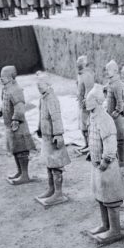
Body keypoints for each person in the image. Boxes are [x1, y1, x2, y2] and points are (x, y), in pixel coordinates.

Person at [86, 84, 124, 244]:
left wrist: (105, 160)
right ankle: (105, 225)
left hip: (107, 166)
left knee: (111, 198)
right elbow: (93, 138)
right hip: (97, 165)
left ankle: (115, 229)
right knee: (100, 196)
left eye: (89, 99)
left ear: (97, 101)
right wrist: (92, 152)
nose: (86, 101)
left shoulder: (105, 119)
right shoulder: (93, 116)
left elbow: (110, 145)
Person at [35, 71, 71, 206]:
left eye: (41, 84)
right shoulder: (43, 98)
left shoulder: (52, 99)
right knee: (48, 164)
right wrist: (39, 128)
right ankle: (51, 189)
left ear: (48, 84)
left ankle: (58, 193)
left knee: (56, 166)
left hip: (53, 138)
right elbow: (41, 116)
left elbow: (56, 118)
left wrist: (58, 134)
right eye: (37, 84)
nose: (38, 87)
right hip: (46, 137)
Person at [0, 66, 36, 185]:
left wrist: (16, 119)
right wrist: (1, 110)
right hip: (10, 125)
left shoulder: (16, 89)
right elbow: (5, 103)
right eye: (1, 76)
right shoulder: (5, 89)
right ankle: (19, 172)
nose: (1, 79)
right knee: (15, 149)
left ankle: (25, 174)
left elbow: (19, 107)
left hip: (18, 125)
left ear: (10, 77)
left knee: (22, 150)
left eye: (3, 77)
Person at [104, 60, 124, 167]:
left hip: (116, 117)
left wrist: (117, 111)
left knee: (120, 139)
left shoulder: (117, 84)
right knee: (113, 139)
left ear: (115, 70)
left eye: (109, 70)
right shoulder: (111, 82)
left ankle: (122, 161)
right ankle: (117, 158)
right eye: (106, 69)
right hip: (110, 116)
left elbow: (120, 101)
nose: (107, 72)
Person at [76, 55, 95, 155]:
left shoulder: (87, 75)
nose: (77, 63)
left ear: (84, 64)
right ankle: (86, 144)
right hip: (81, 103)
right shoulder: (80, 74)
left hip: (86, 104)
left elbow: (89, 90)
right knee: (82, 125)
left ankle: (90, 146)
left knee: (87, 125)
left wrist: (86, 101)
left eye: (80, 62)